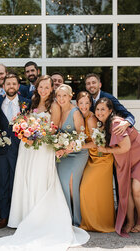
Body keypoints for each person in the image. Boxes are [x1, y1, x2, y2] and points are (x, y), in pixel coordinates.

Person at [0, 76, 89, 250]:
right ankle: (25, 217)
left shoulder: (54, 105)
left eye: (47, 87)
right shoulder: (32, 103)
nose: (43, 90)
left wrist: (35, 134)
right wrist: (24, 131)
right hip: (27, 148)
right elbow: (24, 121)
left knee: (39, 180)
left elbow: (53, 129)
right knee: (27, 179)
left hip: (43, 148)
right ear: (37, 88)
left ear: (51, 89)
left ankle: (39, 219)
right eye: (41, 87)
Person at [95, 97, 140, 237]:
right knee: (126, 189)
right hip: (129, 158)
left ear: (110, 110)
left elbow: (125, 147)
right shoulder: (102, 125)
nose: (99, 112)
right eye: (97, 109)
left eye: (103, 109)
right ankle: (130, 221)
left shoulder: (115, 124)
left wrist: (106, 150)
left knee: (136, 189)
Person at [85, 73, 136, 206]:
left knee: (119, 180)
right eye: (88, 83)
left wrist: (125, 123)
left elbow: (128, 115)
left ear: (99, 84)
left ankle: (122, 212)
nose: (91, 85)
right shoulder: (88, 100)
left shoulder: (108, 98)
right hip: (102, 147)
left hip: (117, 144)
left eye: (93, 82)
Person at [0, 74, 31, 229]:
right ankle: (4, 216)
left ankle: (19, 215)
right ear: (4, 86)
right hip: (1, 149)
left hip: (19, 149)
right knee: (2, 182)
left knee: (18, 182)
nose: (11, 86)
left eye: (14, 84)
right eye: (8, 83)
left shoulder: (27, 103)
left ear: (18, 86)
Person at [77, 92, 115, 232]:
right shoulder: (84, 117)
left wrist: (78, 146)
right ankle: (93, 221)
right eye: (81, 103)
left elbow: (95, 143)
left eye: (87, 103)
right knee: (94, 191)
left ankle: (98, 223)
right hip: (93, 158)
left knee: (87, 188)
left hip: (101, 158)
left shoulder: (91, 119)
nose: (84, 106)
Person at [55, 84, 89, 227]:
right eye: (59, 96)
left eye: (64, 95)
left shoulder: (75, 112)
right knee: (62, 185)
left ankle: (76, 220)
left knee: (71, 184)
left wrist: (68, 148)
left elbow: (81, 136)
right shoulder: (57, 111)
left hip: (78, 153)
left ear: (70, 96)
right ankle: (65, 217)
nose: (61, 99)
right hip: (62, 155)